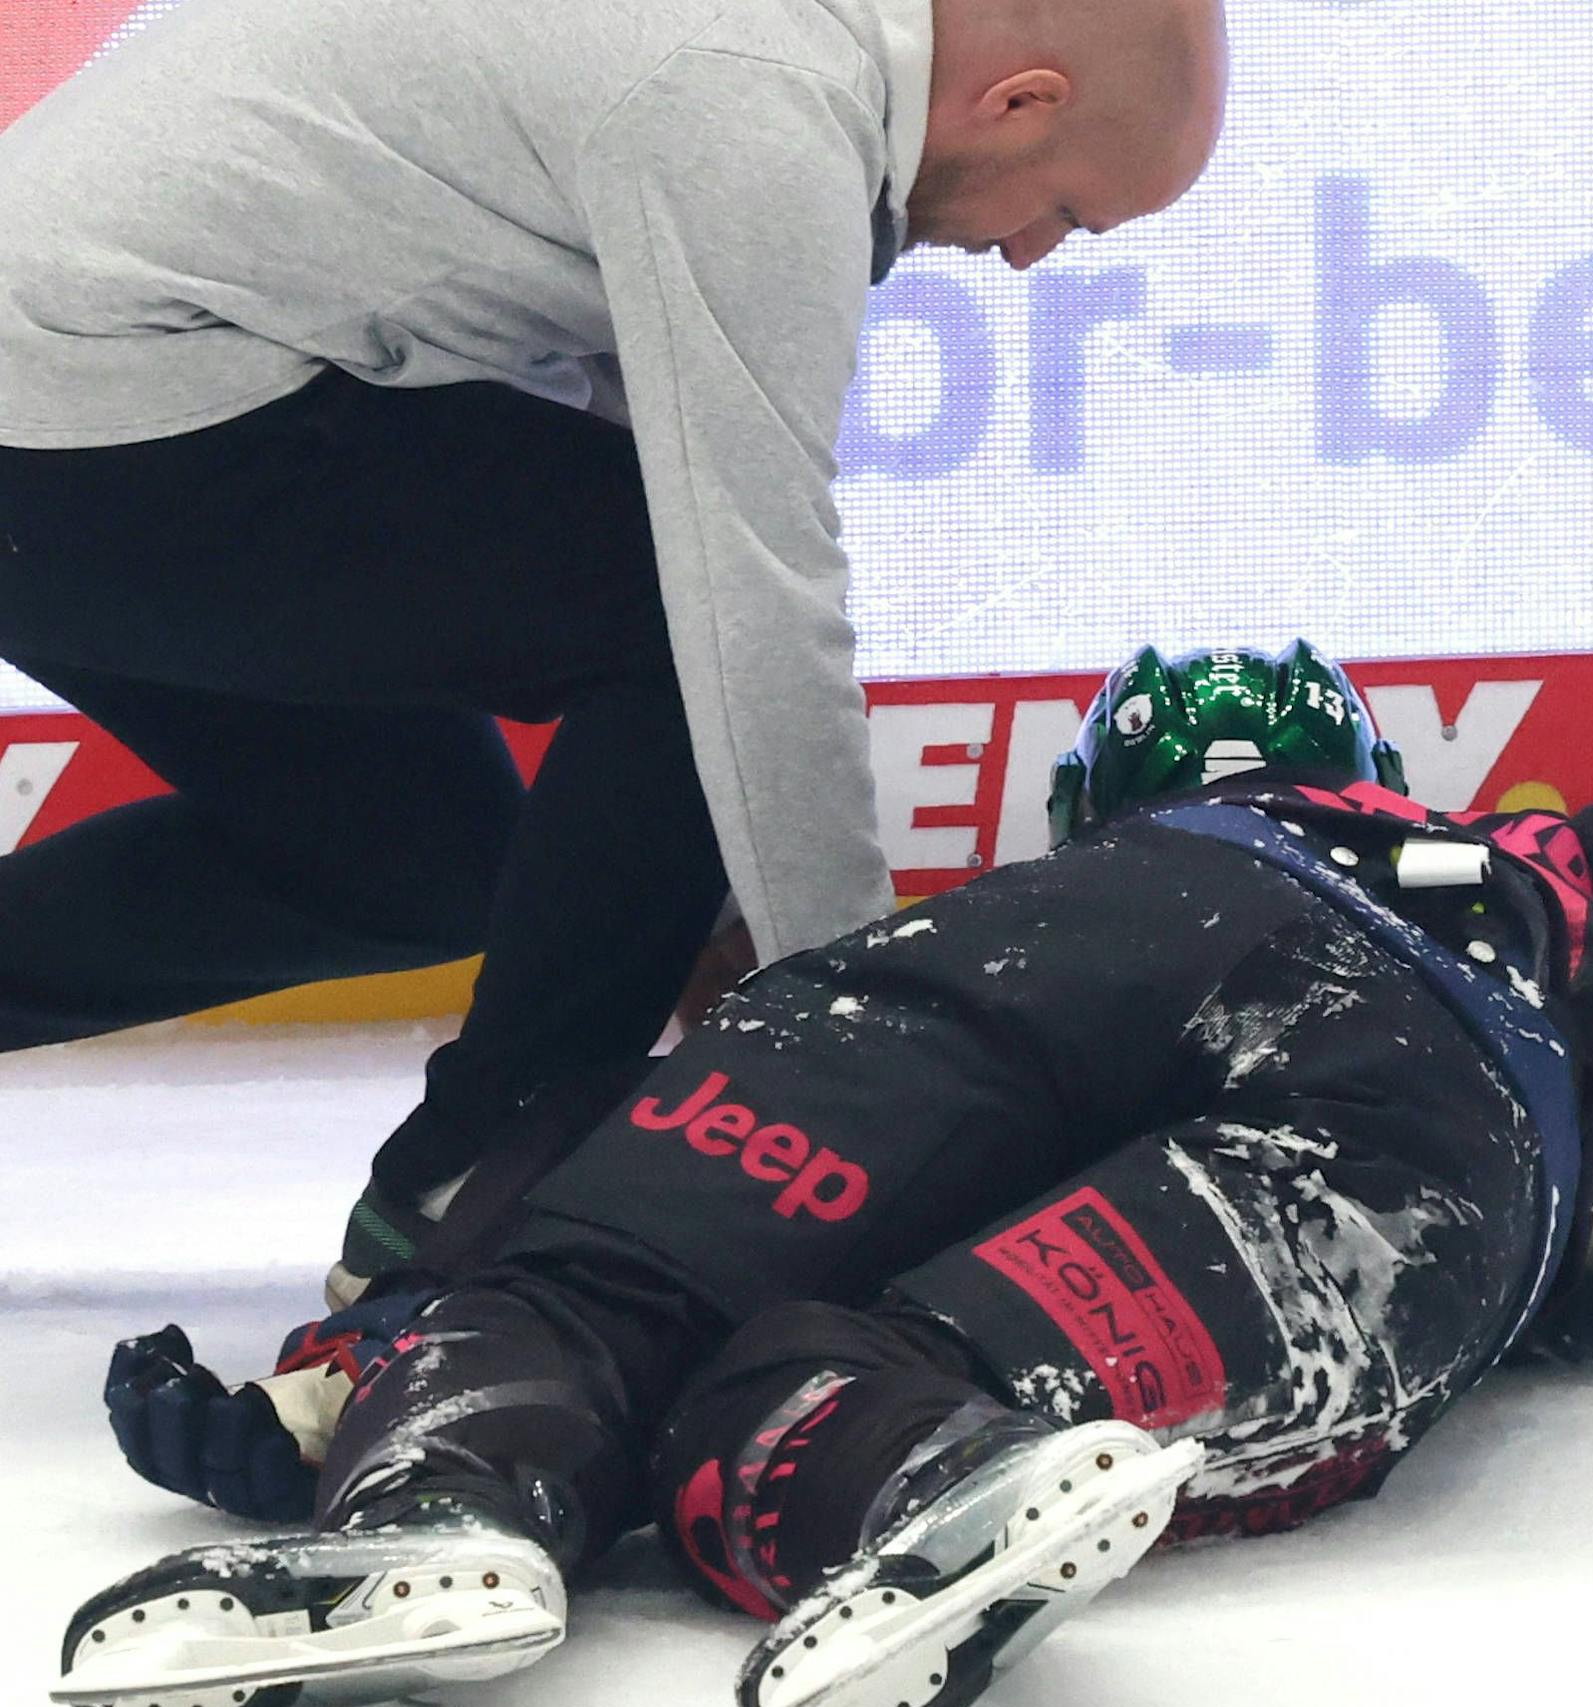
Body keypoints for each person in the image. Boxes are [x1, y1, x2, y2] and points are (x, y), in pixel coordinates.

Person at [54, 644, 1593, 1707]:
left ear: (1089, 798)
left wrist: (383, 1342)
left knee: (606, 1291)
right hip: (1460, 1067)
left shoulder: (1072, 873)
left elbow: (623, 1142)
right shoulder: (1548, 872)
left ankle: (445, 1477)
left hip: (1049, 957)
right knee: (904, 1376)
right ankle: (926, 1471)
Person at [0, 0, 1231, 1293]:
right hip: (91, 413)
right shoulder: (753, 106)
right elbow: (747, 601)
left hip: (79, 416)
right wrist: (868, 1064)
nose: (1029, 258)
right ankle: (476, 1189)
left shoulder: (745, 58)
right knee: (675, 608)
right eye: (1068, 214)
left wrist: (712, 910)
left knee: (413, 857)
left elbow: (606, 446)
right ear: (1021, 101)